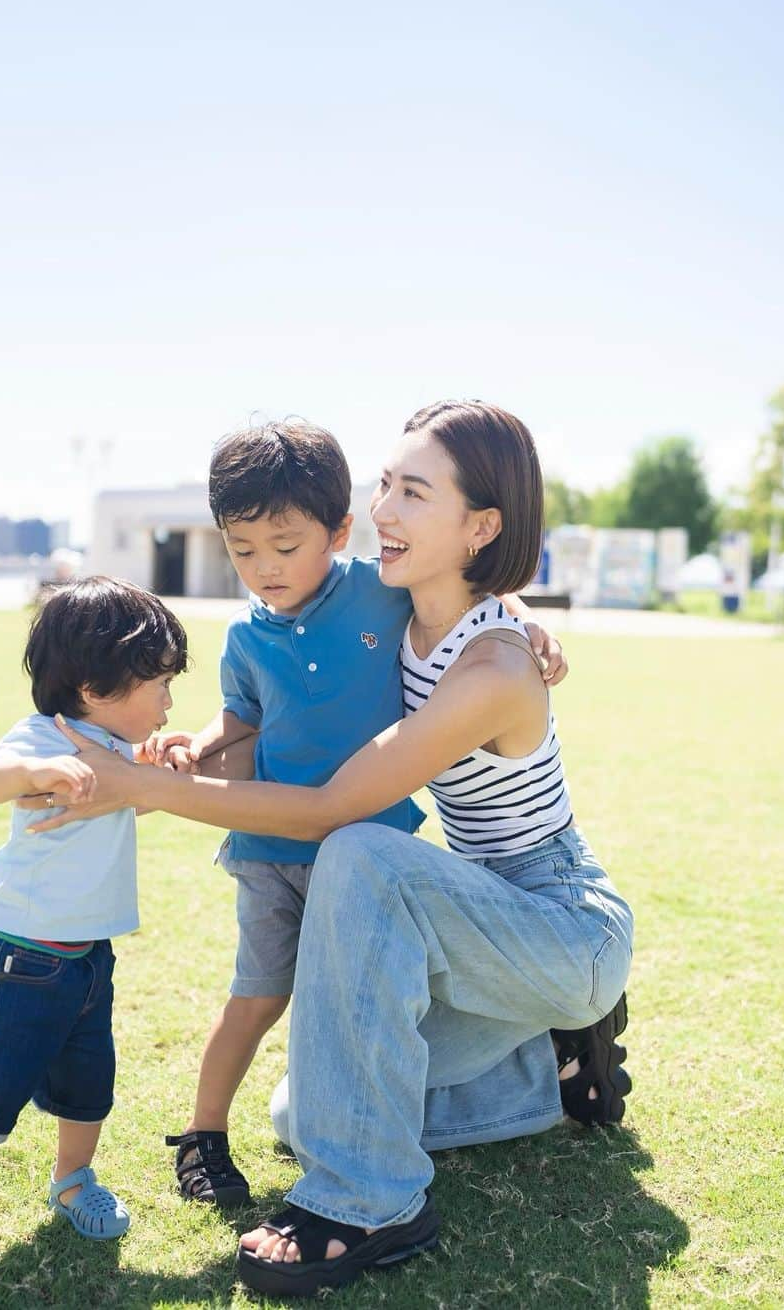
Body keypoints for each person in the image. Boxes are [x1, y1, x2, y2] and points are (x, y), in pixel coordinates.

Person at [26, 400, 632, 1298]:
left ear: (479, 525)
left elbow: (332, 806)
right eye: (386, 484)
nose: (384, 509)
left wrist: (148, 788)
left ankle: (371, 1204)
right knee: (303, 1114)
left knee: (357, 846)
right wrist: (160, 765)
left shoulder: (494, 667)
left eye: (414, 492)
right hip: (464, 920)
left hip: (555, 923)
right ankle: (554, 1066)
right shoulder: (397, 609)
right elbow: (279, 702)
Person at [144, 420, 565, 1209]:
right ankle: (203, 1133)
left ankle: (533, 1067)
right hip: (273, 854)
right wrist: (189, 751)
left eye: (285, 545)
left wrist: (527, 619)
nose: (265, 569)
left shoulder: (382, 588)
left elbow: (472, 590)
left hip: (375, 851)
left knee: (377, 1004)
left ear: (337, 533)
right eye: (242, 551)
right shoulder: (244, 639)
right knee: (263, 1000)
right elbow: (241, 718)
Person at [0, 577, 188, 1240]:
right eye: (161, 685)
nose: (171, 703)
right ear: (95, 686)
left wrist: (162, 769)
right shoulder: (45, 737)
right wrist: (37, 774)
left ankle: (73, 1179)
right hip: (19, 958)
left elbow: (137, 800)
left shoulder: (118, 750)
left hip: (89, 956)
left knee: (90, 1082)